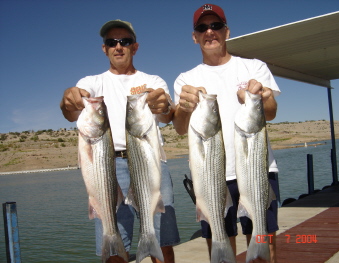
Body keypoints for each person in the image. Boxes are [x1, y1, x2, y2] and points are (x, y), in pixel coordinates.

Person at [60, 19, 180, 263]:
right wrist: (68, 100)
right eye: (111, 42)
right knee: (115, 247)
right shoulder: (92, 83)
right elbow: (70, 111)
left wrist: (164, 104)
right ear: (104, 49)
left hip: (150, 163)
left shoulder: (153, 80)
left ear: (134, 47)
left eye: (124, 41)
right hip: (106, 166)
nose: (118, 46)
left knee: (163, 242)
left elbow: (167, 114)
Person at [172, 4, 280, 263]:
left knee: (265, 249)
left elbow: (272, 111)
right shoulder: (185, 79)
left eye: (216, 25)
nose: (210, 31)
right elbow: (179, 127)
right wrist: (185, 107)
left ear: (227, 32)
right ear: (194, 36)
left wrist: (261, 97)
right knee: (220, 251)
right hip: (211, 178)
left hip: (257, 173)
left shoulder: (254, 67)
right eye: (202, 27)